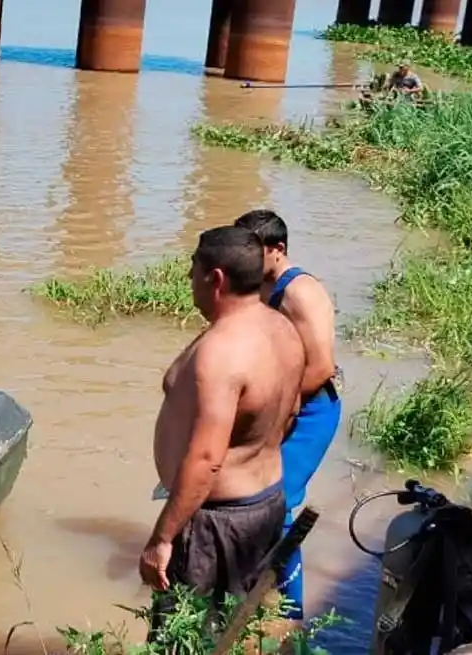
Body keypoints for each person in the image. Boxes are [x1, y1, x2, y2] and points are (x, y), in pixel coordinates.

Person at [142, 226, 307, 632]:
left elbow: (206, 459)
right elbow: (292, 411)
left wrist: (163, 538)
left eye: (192, 271)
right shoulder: (282, 328)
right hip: (265, 503)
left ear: (214, 278)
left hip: (215, 522)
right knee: (232, 627)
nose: (188, 281)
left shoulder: (221, 352)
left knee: (183, 636)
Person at [233, 209, 343, 622]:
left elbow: (321, 367)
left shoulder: (300, 292)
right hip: (281, 408)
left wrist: (279, 415)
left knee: (278, 507)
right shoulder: (264, 284)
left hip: (310, 411)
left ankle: (292, 613)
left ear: (278, 250)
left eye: (253, 251)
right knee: (248, 500)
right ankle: (254, 592)